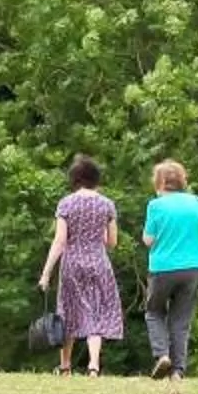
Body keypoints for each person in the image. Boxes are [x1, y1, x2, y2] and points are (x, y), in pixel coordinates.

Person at [38, 154, 124, 375]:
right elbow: (112, 242)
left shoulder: (66, 203)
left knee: (68, 311)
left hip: (72, 263)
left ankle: (65, 365)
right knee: (95, 312)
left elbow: (60, 241)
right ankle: (94, 365)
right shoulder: (107, 205)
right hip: (98, 262)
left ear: (75, 179)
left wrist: (46, 273)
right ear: (96, 179)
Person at [139, 158, 198, 381]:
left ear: (160, 182)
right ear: (181, 180)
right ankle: (178, 371)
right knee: (181, 320)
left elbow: (147, 240)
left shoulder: (155, 206)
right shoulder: (195, 202)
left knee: (154, 312)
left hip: (162, 268)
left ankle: (162, 355)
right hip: (192, 268)